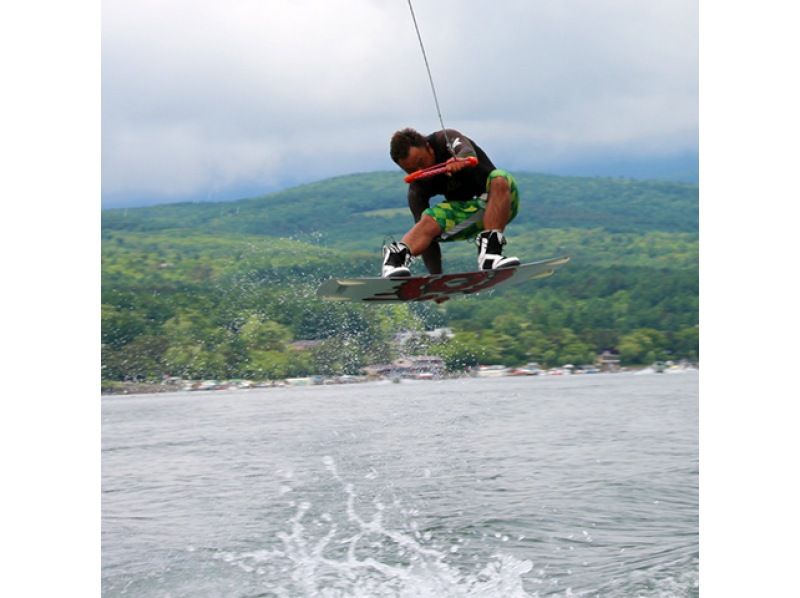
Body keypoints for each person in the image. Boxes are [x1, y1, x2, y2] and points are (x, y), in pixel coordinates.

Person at [382, 127, 521, 278]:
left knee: (499, 177)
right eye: (411, 170)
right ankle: (394, 261)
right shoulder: (417, 190)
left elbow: (467, 151)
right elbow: (427, 240)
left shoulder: (444, 138)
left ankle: (490, 255)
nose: (421, 170)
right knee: (427, 219)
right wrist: (436, 277)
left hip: (501, 204)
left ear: (428, 147)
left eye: (421, 162)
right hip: (466, 216)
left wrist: (461, 159)